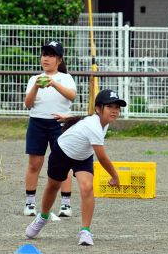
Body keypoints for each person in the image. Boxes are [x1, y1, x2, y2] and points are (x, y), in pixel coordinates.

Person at [25, 89, 125, 246]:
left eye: (117, 107)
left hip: (83, 157)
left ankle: (85, 231)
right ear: (99, 108)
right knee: (53, 186)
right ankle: (43, 217)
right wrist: (115, 176)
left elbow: (84, 119)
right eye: (110, 106)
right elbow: (103, 158)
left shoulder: (101, 122)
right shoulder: (95, 125)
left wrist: (69, 118)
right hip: (62, 152)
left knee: (87, 187)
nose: (114, 111)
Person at [23, 40, 77, 217]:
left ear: (59, 60)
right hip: (37, 123)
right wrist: (37, 87)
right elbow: (28, 104)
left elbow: (72, 96)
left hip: (60, 124)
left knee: (63, 164)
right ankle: (30, 203)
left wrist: (53, 83)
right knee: (34, 164)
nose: (46, 58)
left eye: (51, 55)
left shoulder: (65, 78)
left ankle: (66, 204)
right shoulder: (34, 79)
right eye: (44, 55)